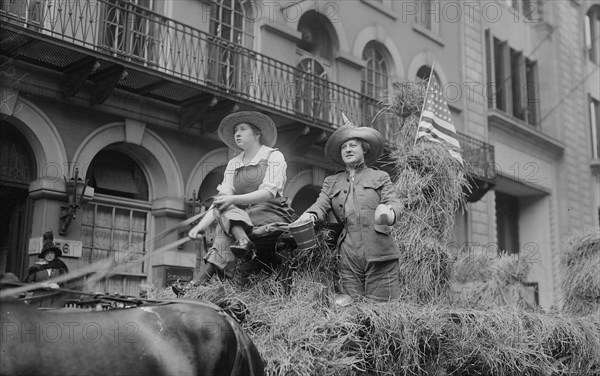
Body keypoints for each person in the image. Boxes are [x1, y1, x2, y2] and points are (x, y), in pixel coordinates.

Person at [173, 111, 295, 296]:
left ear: (257, 134)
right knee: (226, 211)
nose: (237, 133)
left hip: (272, 210)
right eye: (235, 130)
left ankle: (197, 283)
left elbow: (268, 193)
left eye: (243, 129)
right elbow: (221, 200)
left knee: (226, 217)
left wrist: (232, 200)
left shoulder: (274, 157)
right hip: (241, 215)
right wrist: (200, 227)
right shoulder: (234, 163)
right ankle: (243, 240)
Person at [295, 117, 403, 302]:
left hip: (380, 253)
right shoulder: (332, 181)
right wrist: (309, 216)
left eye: (352, 145)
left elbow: (394, 201)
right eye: (344, 147)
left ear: (364, 149)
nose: (348, 150)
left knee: (381, 311)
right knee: (349, 309)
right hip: (348, 255)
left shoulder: (380, 176)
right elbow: (321, 204)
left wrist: (388, 212)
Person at [25, 231, 69, 307]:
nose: (49, 255)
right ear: (44, 254)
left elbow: (65, 285)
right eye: (47, 253)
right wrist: (40, 285)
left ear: (55, 255)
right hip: (38, 301)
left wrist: (58, 287)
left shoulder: (59, 268)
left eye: (52, 253)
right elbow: (28, 285)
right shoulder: (36, 267)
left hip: (55, 301)